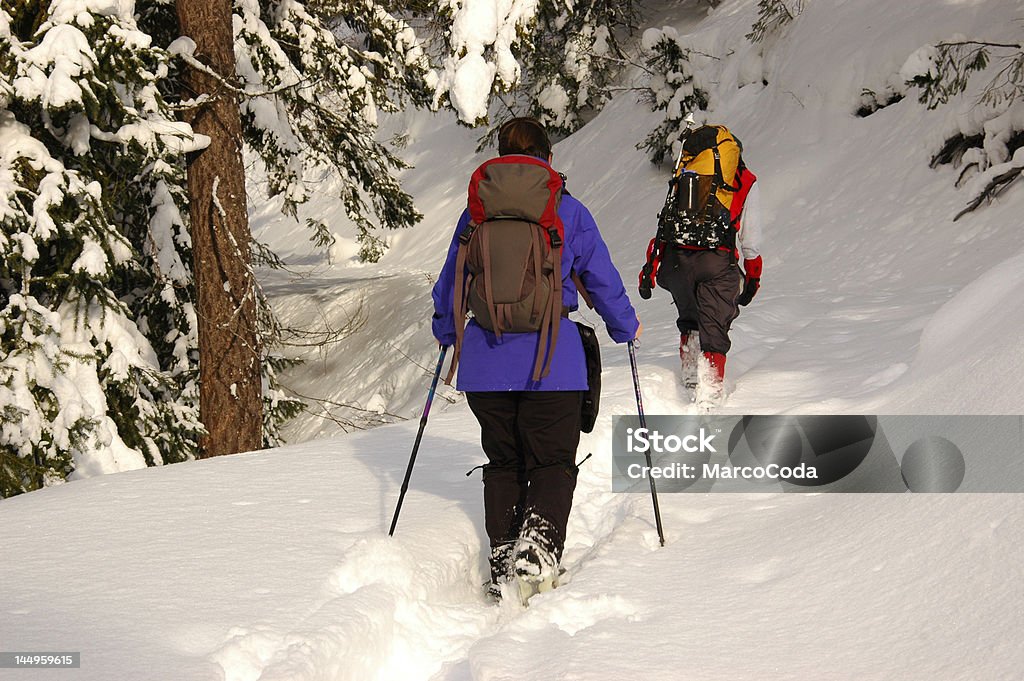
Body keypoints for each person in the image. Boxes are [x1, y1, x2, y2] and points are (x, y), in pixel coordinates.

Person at [431, 117, 640, 599]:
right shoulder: (568, 210)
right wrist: (625, 326)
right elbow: (602, 278)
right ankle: (538, 549)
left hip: (486, 363)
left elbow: (453, 283)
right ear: (549, 157)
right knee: (551, 462)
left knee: (504, 460)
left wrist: (447, 332)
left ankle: (505, 553)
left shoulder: (476, 214)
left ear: (501, 155)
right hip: (553, 366)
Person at [654, 154, 763, 407]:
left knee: (691, 321)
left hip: (676, 261)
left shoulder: (685, 171)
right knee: (713, 328)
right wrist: (752, 278)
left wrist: (651, 268)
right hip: (716, 262)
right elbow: (751, 241)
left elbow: (665, 222)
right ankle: (709, 399)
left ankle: (689, 381)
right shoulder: (744, 179)